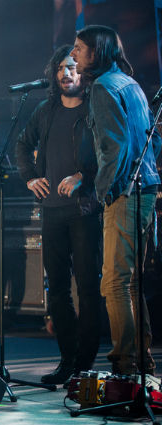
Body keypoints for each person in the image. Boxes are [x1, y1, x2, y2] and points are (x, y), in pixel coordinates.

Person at [71, 25, 161, 376]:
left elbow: (115, 147)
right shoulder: (130, 84)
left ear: (97, 52)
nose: (74, 54)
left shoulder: (104, 87)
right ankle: (141, 361)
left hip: (124, 192)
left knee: (114, 281)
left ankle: (125, 363)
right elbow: (154, 140)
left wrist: (101, 193)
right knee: (130, 281)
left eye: (79, 48)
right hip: (146, 189)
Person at [15, 45, 102, 384]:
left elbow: (109, 153)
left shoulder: (95, 108)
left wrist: (83, 176)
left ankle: (85, 364)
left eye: (73, 67)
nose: (67, 73)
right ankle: (67, 361)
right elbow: (23, 145)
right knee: (57, 290)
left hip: (85, 210)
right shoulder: (45, 110)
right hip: (51, 211)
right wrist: (29, 177)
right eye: (62, 68)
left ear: (84, 72)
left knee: (88, 287)